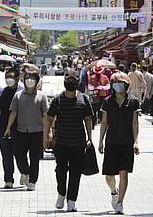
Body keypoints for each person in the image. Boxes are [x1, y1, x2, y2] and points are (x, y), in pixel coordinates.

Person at [45, 70, 93, 212]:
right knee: (60, 171)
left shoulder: (84, 99)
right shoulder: (58, 99)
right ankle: (61, 193)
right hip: (61, 143)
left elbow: (88, 119)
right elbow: (49, 118)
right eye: (68, 79)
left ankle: (72, 201)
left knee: (75, 173)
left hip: (78, 143)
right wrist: (46, 136)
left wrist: (90, 138)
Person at [98, 72, 140, 215]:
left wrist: (136, 142)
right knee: (109, 175)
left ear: (126, 85)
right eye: (115, 83)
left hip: (127, 142)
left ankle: (120, 202)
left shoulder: (133, 102)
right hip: (111, 141)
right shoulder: (107, 101)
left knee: (124, 173)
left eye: (121, 83)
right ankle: (113, 191)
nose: (118, 85)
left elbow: (135, 122)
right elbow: (104, 122)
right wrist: (100, 141)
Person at [4, 71, 48, 191]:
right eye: (27, 78)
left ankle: (32, 181)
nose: (29, 81)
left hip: (37, 131)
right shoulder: (18, 96)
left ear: (36, 81)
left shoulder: (41, 96)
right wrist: (8, 128)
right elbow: (13, 112)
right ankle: (25, 172)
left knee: (35, 158)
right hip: (21, 131)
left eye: (32, 79)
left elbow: (45, 115)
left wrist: (48, 131)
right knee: (19, 155)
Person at [0, 68, 23, 188]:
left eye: (11, 77)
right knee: (6, 155)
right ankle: (8, 180)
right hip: (3, 127)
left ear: (17, 78)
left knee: (19, 154)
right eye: (7, 77)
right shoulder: (0, 94)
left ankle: (24, 173)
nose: (8, 80)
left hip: (20, 128)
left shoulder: (22, 93)